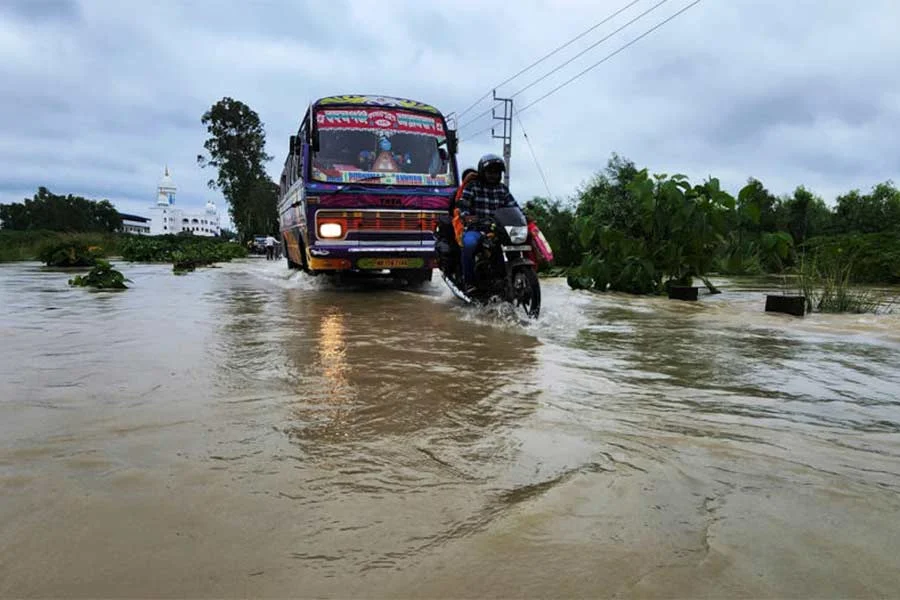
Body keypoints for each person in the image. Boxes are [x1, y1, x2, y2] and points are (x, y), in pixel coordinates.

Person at [456, 154, 517, 291]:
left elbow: (513, 206)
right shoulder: (473, 186)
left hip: (498, 229)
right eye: (490, 172)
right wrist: (467, 216)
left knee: (516, 243)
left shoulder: (502, 189)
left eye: (496, 172)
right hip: (476, 228)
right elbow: (462, 206)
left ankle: (508, 278)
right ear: (483, 172)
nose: (493, 175)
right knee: (469, 244)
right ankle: (469, 282)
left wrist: (524, 216)